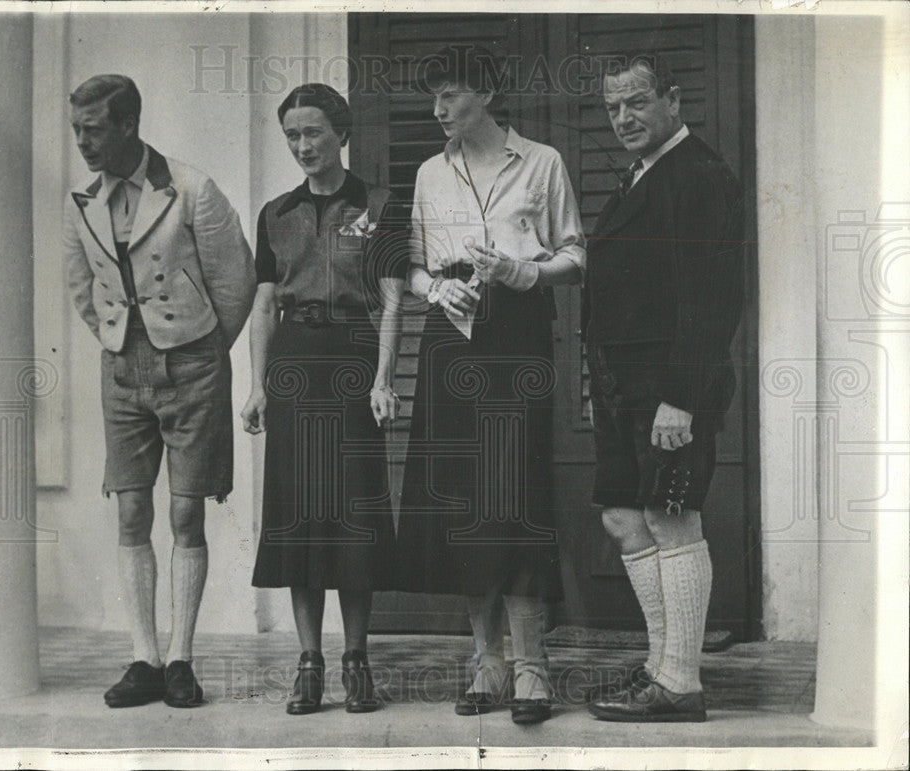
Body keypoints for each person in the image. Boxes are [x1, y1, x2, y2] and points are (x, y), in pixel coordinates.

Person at [396, 46, 586, 725]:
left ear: (486, 93)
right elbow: (412, 267)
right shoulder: (427, 172)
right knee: (463, 495)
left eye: (450, 95)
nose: (438, 109)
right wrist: (434, 285)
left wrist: (526, 271)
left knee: (518, 490)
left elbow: (574, 252)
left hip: (517, 328)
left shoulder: (542, 162)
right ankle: (488, 659)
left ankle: (533, 662)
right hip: (452, 335)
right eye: (435, 97)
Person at [63, 74, 256, 709]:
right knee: (130, 511)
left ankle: (181, 659)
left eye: (93, 129)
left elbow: (237, 281)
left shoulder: (191, 189)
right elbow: (82, 291)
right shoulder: (84, 200)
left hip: (193, 366)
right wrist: (121, 339)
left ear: (127, 125)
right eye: (76, 129)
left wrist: (202, 351)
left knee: (185, 512)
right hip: (121, 371)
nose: (83, 142)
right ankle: (143, 657)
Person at [583, 54, 745, 722]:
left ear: (674, 100)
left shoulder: (701, 176)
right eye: (613, 106)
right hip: (625, 384)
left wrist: (680, 395)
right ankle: (659, 665)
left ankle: (679, 681)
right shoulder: (642, 175)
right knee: (623, 517)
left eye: (637, 102)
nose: (623, 118)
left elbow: (714, 296)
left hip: (670, 382)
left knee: (672, 517)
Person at [241, 83, 407, 716]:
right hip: (292, 365)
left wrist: (384, 376)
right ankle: (309, 663)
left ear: (341, 133)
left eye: (313, 132)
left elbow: (392, 295)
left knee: (354, 518)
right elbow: (262, 302)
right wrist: (257, 385)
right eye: (291, 136)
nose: (303, 146)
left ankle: (356, 659)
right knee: (300, 516)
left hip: (353, 362)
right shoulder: (274, 212)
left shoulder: (379, 204)